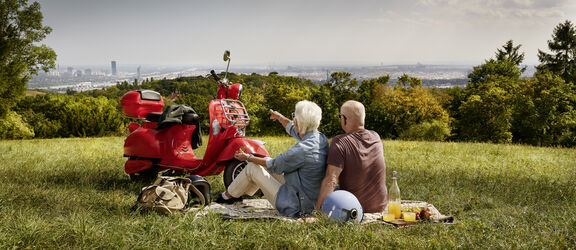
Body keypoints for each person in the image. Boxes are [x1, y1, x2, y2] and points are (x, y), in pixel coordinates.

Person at [215, 100, 329, 218]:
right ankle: (235, 193)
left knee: (252, 167)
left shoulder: (302, 150)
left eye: (295, 116)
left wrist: (248, 157)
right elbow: (292, 128)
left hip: (296, 204)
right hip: (304, 191)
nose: (294, 119)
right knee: (263, 162)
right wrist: (280, 117)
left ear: (300, 122)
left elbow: (275, 164)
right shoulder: (319, 138)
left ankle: (227, 196)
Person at [314, 100, 388, 213]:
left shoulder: (340, 141)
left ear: (344, 119)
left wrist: (317, 212)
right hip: (380, 206)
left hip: (354, 209)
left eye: (340, 116)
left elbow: (331, 180)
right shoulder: (375, 136)